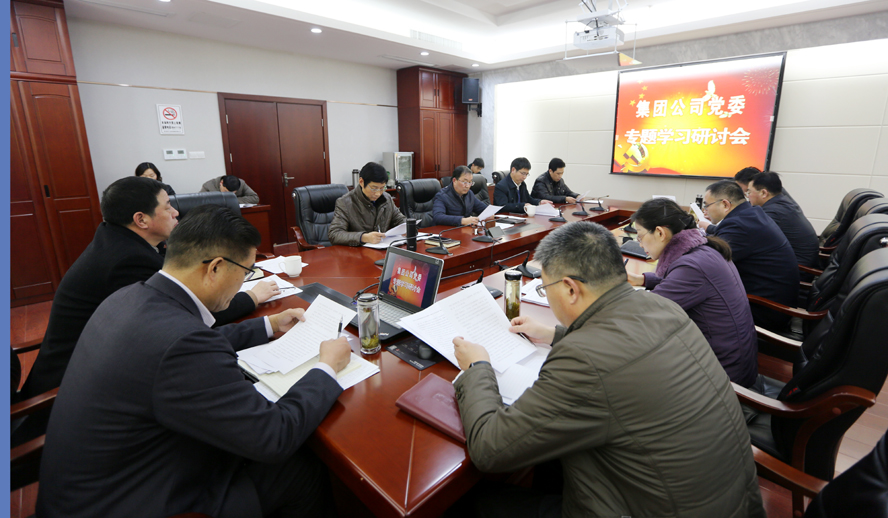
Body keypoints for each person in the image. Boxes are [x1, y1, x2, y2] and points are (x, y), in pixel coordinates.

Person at [37, 205, 352, 518]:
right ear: (215, 268)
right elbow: (274, 436)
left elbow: (184, 343)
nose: (244, 281)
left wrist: (268, 325)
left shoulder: (130, 296)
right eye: (245, 272)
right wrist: (326, 368)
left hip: (85, 488)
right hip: (132, 499)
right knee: (299, 470)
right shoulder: (183, 345)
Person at [452, 221, 765, 518]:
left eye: (546, 287)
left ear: (570, 289)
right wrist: (553, 334)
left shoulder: (582, 359)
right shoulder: (663, 306)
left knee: (475, 501)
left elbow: (490, 450)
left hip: (651, 508)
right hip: (732, 501)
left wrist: (478, 367)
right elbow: (624, 347)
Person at [15, 177, 277, 443]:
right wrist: (252, 297)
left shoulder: (116, 239)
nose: (176, 213)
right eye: (167, 207)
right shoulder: (127, 260)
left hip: (94, 363)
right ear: (141, 220)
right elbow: (187, 312)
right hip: (70, 393)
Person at [627, 198, 758, 387]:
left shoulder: (692, 267)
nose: (640, 244)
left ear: (660, 232)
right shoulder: (702, 249)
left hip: (723, 375)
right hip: (732, 360)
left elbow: (643, 311)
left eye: (639, 236)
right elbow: (682, 282)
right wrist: (642, 279)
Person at [700, 180, 799, 329]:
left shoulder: (739, 225)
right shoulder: (751, 214)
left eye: (707, 205)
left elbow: (707, 263)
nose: (705, 210)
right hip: (773, 301)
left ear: (725, 204)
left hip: (764, 310)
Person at [747, 171, 819, 271]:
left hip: (798, 270)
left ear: (763, 193)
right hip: (804, 263)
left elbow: (752, 241)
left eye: (749, 192)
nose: (748, 196)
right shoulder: (783, 202)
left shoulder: (772, 212)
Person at [328, 161, 406, 245]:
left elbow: (400, 220)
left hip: (382, 248)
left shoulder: (387, 199)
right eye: (374, 188)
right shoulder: (345, 203)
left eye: (382, 188)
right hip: (357, 250)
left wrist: (408, 228)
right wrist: (364, 237)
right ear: (361, 182)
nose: (378, 193)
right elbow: (334, 234)